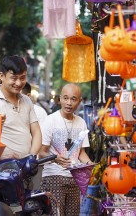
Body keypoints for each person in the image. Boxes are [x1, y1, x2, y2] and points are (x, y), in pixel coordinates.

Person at [39, 83, 92, 216]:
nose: (69, 103)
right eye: (66, 98)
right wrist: (55, 159)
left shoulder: (81, 122)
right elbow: (41, 151)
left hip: (74, 178)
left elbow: (81, 153)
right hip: (53, 177)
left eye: (73, 99)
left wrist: (90, 166)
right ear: (60, 99)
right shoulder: (50, 120)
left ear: (79, 101)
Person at [0, 55, 42, 159]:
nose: (18, 83)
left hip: (25, 168)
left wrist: (31, 156)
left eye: (22, 78)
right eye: (14, 78)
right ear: (2, 76)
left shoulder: (27, 101)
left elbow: (36, 132)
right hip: (0, 169)